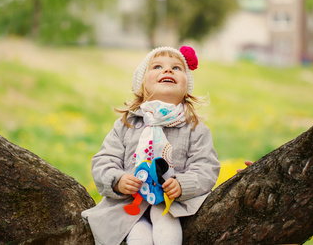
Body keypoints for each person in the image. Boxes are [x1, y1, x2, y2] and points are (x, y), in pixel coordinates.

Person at [81, 46, 221, 245]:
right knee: (139, 236)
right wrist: (119, 181)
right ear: (142, 85)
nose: (168, 70)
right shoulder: (126, 125)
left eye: (177, 68)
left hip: (172, 207)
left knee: (168, 231)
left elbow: (206, 167)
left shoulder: (195, 129)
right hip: (129, 206)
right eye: (157, 66)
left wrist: (182, 184)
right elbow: (103, 160)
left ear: (186, 89)